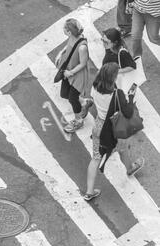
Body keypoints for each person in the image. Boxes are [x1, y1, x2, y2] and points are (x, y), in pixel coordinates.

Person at [84, 63, 144, 201]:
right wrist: (130, 96)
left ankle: (89, 191)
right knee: (122, 149)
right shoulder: (118, 94)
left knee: (95, 158)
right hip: (113, 129)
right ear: (113, 78)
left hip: (99, 127)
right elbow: (128, 113)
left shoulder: (95, 86)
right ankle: (130, 168)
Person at [56, 18, 93, 133]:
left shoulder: (82, 47)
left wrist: (70, 72)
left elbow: (83, 63)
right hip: (69, 71)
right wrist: (62, 52)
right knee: (64, 94)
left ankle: (78, 121)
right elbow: (70, 47)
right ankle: (84, 102)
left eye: (64, 28)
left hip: (77, 75)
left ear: (69, 32)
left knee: (72, 98)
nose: (63, 29)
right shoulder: (72, 37)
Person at [101, 28, 137, 92]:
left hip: (117, 79)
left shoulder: (122, 53)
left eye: (106, 42)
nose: (103, 43)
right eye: (102, 40)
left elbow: (132, 66)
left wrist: (115, 71)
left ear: (115, 43)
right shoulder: (109, 47)